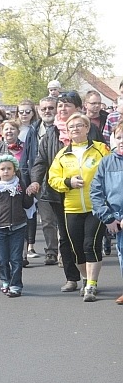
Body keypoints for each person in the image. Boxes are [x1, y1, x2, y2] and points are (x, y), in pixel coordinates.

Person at [30, 91, 94, 289]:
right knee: (66, 237)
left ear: (77, 109)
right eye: (60, 106)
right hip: (58, 194)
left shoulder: (88, 131)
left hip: (86, 195)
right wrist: (36, 181)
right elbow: (41, 161)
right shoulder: (51, 133)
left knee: (85, 239)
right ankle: (72, 278)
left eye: (67, 105)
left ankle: (90, 279)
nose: (62, 109)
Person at [47, 113, 111, 302]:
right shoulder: (62, 154)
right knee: (77, 249)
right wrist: (69, 182)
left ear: (87, 128)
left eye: (79, 125)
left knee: (90, 244)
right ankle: (85, 278)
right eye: (71, 127)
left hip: (96, 207)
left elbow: (112, 170)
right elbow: (53, 178)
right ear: (67, 131)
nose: (75, 129)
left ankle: (92, 284)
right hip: (72, 207)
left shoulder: (101, 149)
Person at [0, 155, 33, 297]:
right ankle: (6, 280)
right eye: (2, 169)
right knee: (2, 259)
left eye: (9, 169)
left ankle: (16, 285)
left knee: (16, 258)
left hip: (18, 226)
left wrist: (30, 194)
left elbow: (26, 204)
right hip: (1, 228)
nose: (6, 172)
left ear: (14, 170)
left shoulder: (19, 185)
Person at [24, 96, 61, 265]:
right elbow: (27, 157)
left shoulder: (63, 129)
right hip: (40, 180)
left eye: (51, 108)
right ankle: (51, 251)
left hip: (61, 179)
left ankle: (65, 251)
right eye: (44, 108)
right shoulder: (33, 129)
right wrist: (31, 180)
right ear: (39, 111)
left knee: (63, 218)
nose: (47, 111)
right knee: (47, 219)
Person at [89, 121, 123, 304]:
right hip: (116, 220)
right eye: (119, 137)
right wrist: (108, 217)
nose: (122, 141)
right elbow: (95, 192)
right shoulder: (106, 162)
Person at [0, 118, 32, 267]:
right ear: (2, 132)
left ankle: (22, 254)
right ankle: (7, 255)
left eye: (12, 129)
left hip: (22, 188)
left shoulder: (25, 147)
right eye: (6, 129)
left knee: (22, 221)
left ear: (18, 131)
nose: (9, 131)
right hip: (2, 191)